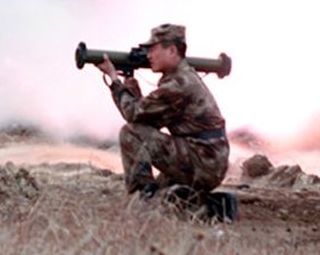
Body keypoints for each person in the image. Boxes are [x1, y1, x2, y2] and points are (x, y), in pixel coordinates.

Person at [97, 23, 229, 203]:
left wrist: (114, 80)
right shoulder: (182, 77)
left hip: (202, 161)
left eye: (153, 49)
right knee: (166, 197)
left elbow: (133, 114)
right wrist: (129, 81)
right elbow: (148, 117)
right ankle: (215, 206)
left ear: (172, 51)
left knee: (130, 132)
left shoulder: (178, 84)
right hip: (207, 160)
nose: (149, 56)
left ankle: (143, 199)